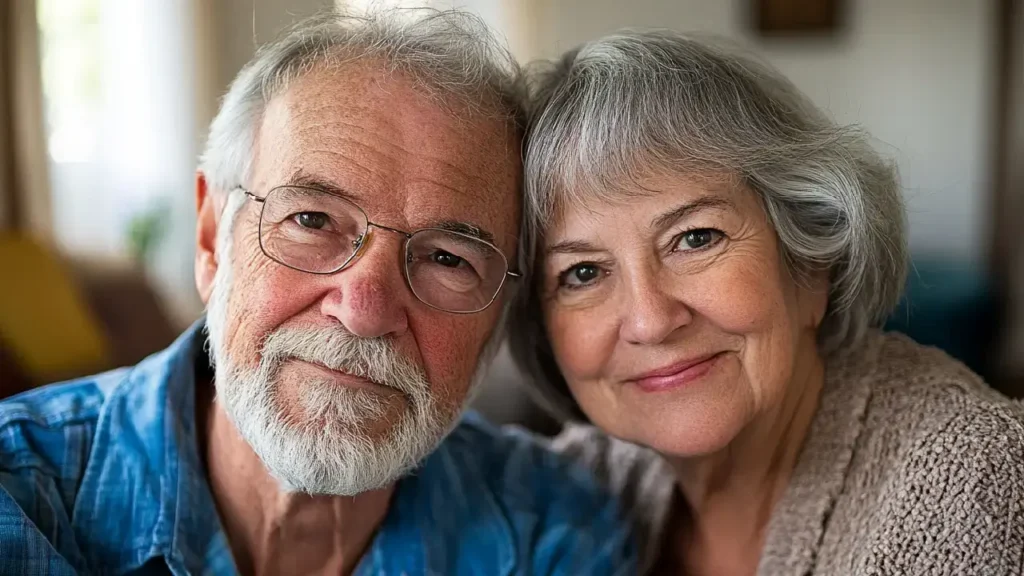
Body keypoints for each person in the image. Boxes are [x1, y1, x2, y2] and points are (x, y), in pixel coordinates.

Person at [0, 10, 637, 575]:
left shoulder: (555, 529)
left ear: (498, 315)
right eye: (311, 220)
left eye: (448, 257)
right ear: (211, 240)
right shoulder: (20, 494)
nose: (364, 311)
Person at [509, 30, 1024, 576]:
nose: (650, 320)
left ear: (810, 261)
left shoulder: (970, 480)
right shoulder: (573, 488)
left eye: (696, 238)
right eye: (582, 273)